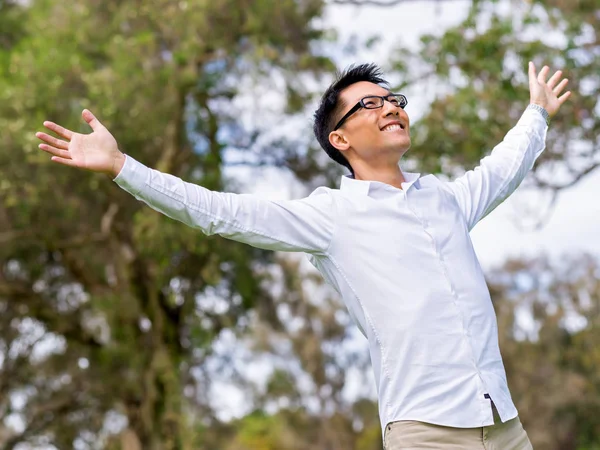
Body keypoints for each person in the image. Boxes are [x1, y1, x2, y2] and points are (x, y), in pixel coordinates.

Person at [36, 61, 570, 449]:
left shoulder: (447, 200)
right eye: (371, 103)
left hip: (504, 425)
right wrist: (124, 166)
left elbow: (504, 167)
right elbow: (222, 212)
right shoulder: (330, 218)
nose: (390, 107)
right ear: (340, 139)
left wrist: (537, 113)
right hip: (425, 432)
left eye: (394, 100)